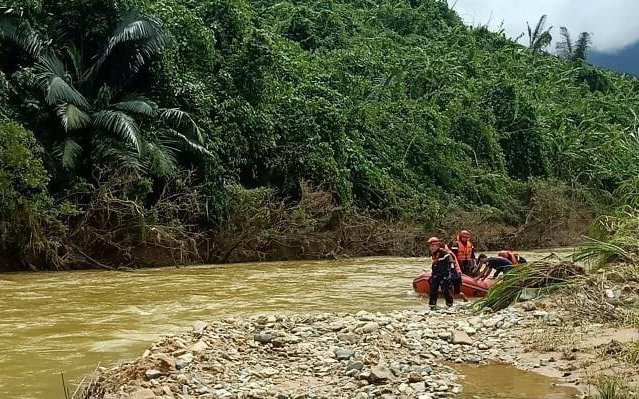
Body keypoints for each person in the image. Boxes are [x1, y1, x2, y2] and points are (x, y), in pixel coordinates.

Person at [427, 237, 456, 310]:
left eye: (434, 246)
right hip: (436, 274)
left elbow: (450, 260)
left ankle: (450, 305)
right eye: (431, 246)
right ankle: (432, 306)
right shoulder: (433, 253)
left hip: (444, 274)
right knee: (433, 290)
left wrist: (452, 269)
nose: (432, 248)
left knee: (446, 290)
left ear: (437, 245)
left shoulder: (443, 252)